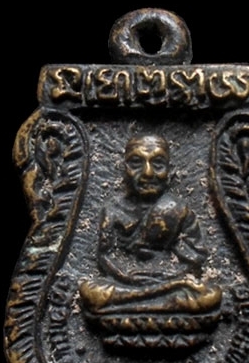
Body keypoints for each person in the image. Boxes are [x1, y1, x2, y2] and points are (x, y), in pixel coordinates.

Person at [79, 134, 222, 316]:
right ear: (125, 169)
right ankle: (158, 307)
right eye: (136, 163)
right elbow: (105, 255)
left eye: (158, 164)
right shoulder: (113, 209)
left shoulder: (179, 210)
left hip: (171, 282)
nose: (148, 173)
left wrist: (164, 275)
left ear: (170, 170)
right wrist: (127, 275)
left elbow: (195, 257)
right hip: (126, 281)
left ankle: (130, 308)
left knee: (209, 295)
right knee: (92, 292)